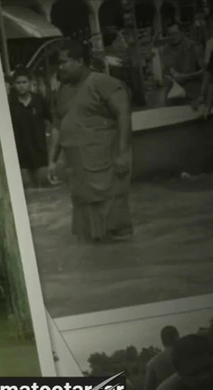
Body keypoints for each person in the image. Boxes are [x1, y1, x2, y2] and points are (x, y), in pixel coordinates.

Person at [49, 40, 134, 244]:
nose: (60, 67)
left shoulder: (103, 82)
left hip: (106, 165)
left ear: (79, 61)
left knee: (116, 225)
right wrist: (52, 160)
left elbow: (123, 114)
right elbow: (58, 126)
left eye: (63, 62)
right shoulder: (63, 90)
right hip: (78, 170)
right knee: (87, 234)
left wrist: (123, 153)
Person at [8, 67, 57, 188]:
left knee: (44, 183)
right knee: (26, 185)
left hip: (39, 152)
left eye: (24, 82)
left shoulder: (39, 101)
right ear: (14, 85)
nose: (21, 86)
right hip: (21, 154)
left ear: (30, 83)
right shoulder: (11, 104)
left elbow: (53, 120)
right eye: (18, 83)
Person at [159, 23, 204, 103]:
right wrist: (167, 78)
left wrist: (187, 76)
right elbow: (165, 72)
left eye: (175, 33)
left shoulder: (194, 47)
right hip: (173, 95)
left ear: (182, 32)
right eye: (170, 34)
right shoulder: (165, 50)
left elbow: (206, 72)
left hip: (193, 95)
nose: (172, 36)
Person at [143, 325, 181, 390]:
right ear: (177, 337)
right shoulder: (189, 356)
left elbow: (149, 389)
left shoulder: (153, 363)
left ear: (162, 341)